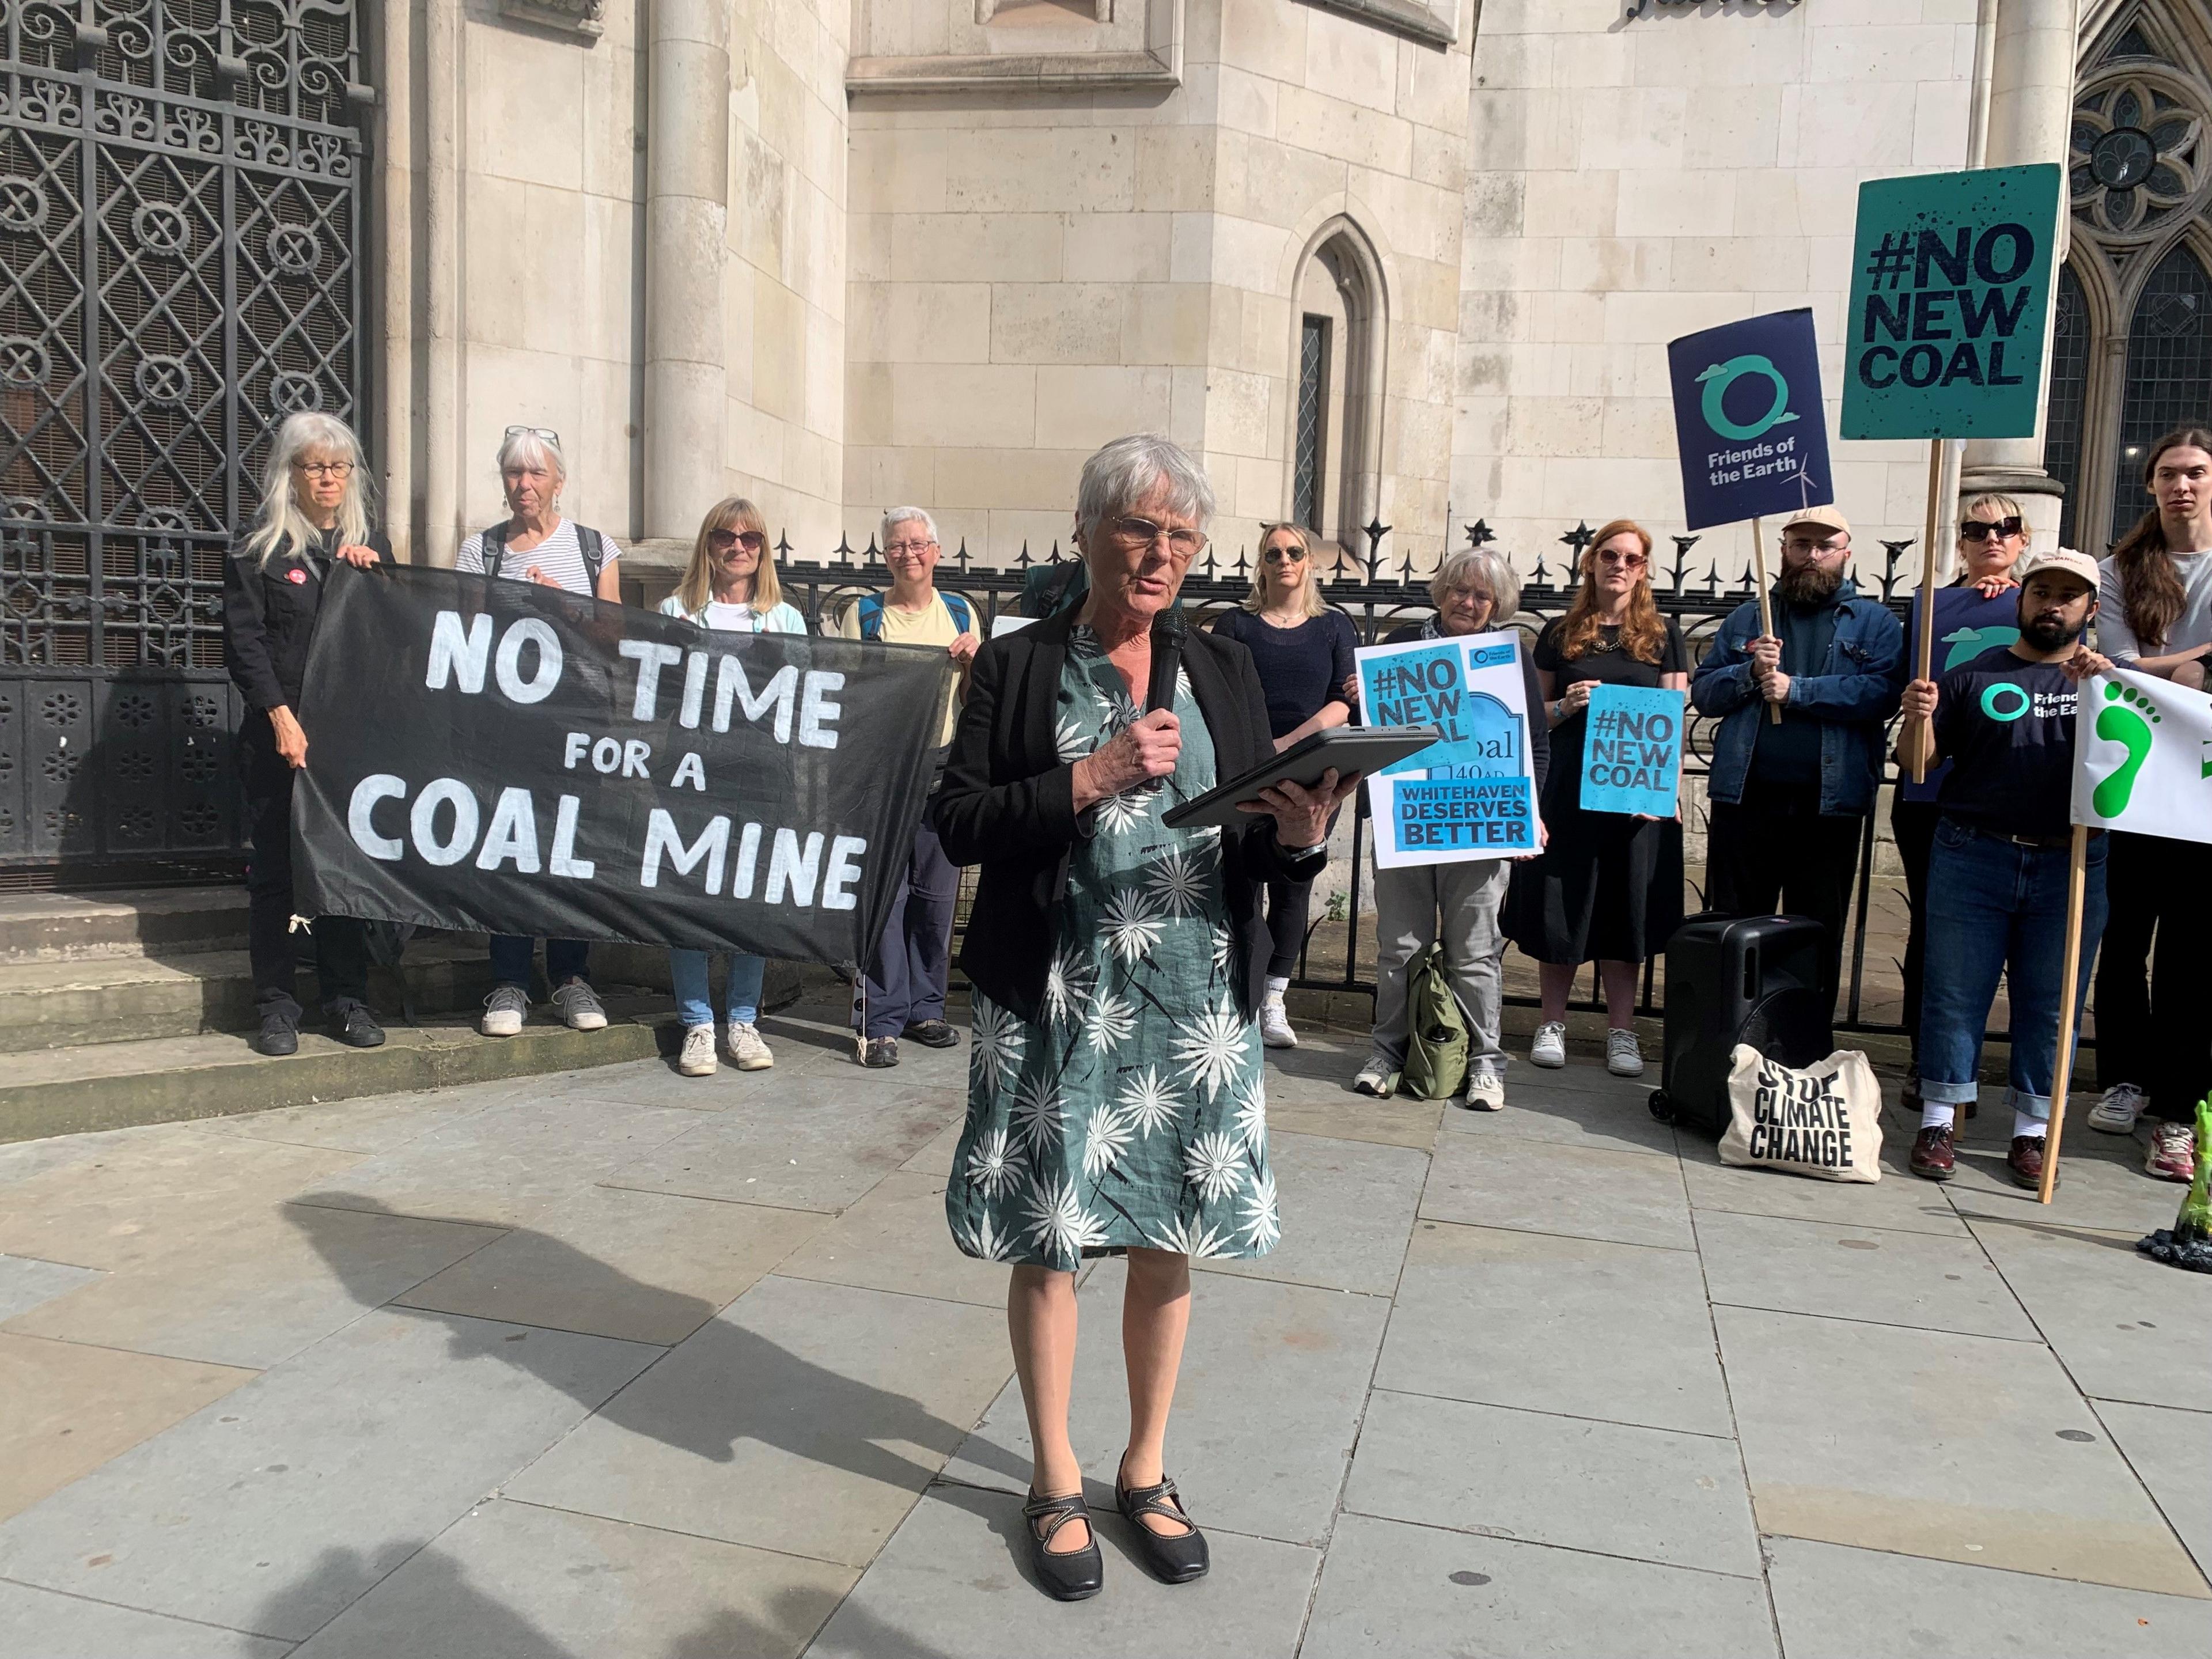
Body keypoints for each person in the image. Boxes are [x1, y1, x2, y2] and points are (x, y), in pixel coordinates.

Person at [934, 434, 1349, 1601]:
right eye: (1138, 529)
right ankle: (1054, 1475)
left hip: (1190, 999)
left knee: (1172, 1231)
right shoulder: (1018, 667)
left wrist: (1301, 831)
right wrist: (1091, 779)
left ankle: (1147, 1467)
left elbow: (1255, 816)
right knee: (1053, 1237)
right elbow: (957, 822)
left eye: (1181, 535)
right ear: (1089, 534)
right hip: (1060, 993)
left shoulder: (1215, 664)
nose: (1160, 554)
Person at [1896, 551, 2111, 1190]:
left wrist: (2107, 690)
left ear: (2090, 610)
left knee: (2053, 1002)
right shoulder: (1971, 674)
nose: (2053, 604)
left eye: (2068, 596)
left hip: (2071, 861)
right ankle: (1939, 1118)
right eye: (2041, 591)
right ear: (2021, 599)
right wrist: (1918, 715)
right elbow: (1918, 766)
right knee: (1956, 990)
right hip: (1974, 851)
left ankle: (2033, 1133)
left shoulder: (2107, 683)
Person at [1350, 546, 1548, 1105]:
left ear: (1497, 603)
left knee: (1475, 953)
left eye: (1482, 595)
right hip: (1407, 820)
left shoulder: (1510, 657)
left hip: (1479, 824)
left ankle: (1486, 1065)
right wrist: (1362, 701)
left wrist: (1530, 814)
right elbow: (1371, 739)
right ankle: (1387, 1054)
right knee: (1400, 949)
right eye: (1461, 590)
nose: (1469, 602)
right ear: (1442, 592)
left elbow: (1532, 742)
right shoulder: (1399, 649)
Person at [222, 412, 393, 1056]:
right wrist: (279, 716)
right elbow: (246, 644)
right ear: (288, 474)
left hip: (347, 744)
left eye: (339, 466)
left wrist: (377, 581)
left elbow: (394, 640)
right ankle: (276, 1006)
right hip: (278, 738)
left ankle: (347, 999)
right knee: (275, 874)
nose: (328, 478)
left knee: (342, 872)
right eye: (314, 465)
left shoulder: (367, 545)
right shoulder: (259, 545)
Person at [1691, 505, 1904, 1018]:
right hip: (1746, 801)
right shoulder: (1750, 616)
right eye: (1801, 545)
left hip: (1827, 807)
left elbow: (1880, 694)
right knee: (1735, 929)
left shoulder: (1875, 622)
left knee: (1814, 932)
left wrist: (1797, 690)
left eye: (1824, 546)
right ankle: (1732, 1040)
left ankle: (1803, 1040)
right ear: (1783, 549)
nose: (1812, 556)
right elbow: (1705, 692)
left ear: (1846, 554)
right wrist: (1748, 671)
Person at [456, 426, 622, 1037]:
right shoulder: (482, 551)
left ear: (559, 481)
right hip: (507, 723)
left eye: (536, 474)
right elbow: (466, 640)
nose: (524, 486)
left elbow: (615, 639)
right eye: (514, 475)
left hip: (579, 720)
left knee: (572, 849)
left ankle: (572, 977)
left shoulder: (593, 548)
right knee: (508, 846)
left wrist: (564, 607)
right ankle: (509, 979)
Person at [1508, 520, 1688, 1078]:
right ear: (1591, 562)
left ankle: (1621, 1032)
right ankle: (1552, 1022)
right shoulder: (1560, 633)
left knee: (1625, 910)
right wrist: (1567, 703)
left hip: (1633, 793)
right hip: (1568, 790)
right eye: (1610, 555)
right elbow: (1531, 717)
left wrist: (1667, 788)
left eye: (1633, 559)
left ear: (1645, 569)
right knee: (1563, 902)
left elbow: (1675, 718)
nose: (1620, 566)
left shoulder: (1663, 636)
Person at [2086, 427, 2212, 1182]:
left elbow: (2132, 664)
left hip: (2204, 783)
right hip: (2134, 775)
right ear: (2152, 485)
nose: (2182, 486)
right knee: (2123, 936)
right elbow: (2114, 667)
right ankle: (2126, 1079)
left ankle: (2179, 1105)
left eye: (2196, 473)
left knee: (2195, 952)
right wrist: (2193, 665)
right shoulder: (2120, 569)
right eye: (2169, 473)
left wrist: (2149, 667)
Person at [657, 497, 807, 1077]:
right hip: (692, 770)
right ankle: (697, 1022)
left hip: (762, 772)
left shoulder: (786, 617)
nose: (738, 548)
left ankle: (742, 1019)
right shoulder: (677, 609)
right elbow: (662, 688)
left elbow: (801, 696)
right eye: (726, 536)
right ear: (708, 543)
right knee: (689, 891)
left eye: (751, 539)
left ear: (763, 550)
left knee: (753, 896)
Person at [1891, 496, 2028, 1111]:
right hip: (1931, 792)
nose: (1991, 538)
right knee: (1934, 933)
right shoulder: (1931, 607)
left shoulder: (2043, 602)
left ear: (2022, 538)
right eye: (1977, 529)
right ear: (1961, 539)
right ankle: (1931, 1061)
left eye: (2004, 527)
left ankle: (2009, 1077)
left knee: (2015, 946)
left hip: (2013, 795)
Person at [839, 507, 979, 1067]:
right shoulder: (865, 614)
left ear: (937, 552)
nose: (909, 555)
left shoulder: (960, 611)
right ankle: (883, 1020)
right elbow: (851, 693)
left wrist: (974, 661)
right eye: (897, 546)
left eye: (919, 544)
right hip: (885, 772)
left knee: (936, 899)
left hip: (944, 771)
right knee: (886, 898)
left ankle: (928, 1009)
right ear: (885, 555)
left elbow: (976, 697)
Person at [1209, 522, 1358, 1047]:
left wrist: (1291, 741)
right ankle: (1239, 987)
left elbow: (1345, 702)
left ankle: (1274, 997)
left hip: (1314, 771)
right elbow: (1217, 693)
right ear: (1261, 564)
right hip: (1245, 767)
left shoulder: (1334, 627)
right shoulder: (1235, 624)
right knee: (1241, 879)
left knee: (1294, 884)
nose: (1285, 560)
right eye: (1274, 553)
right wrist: (1257, 748)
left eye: (1295, 552)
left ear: (1311, 562)